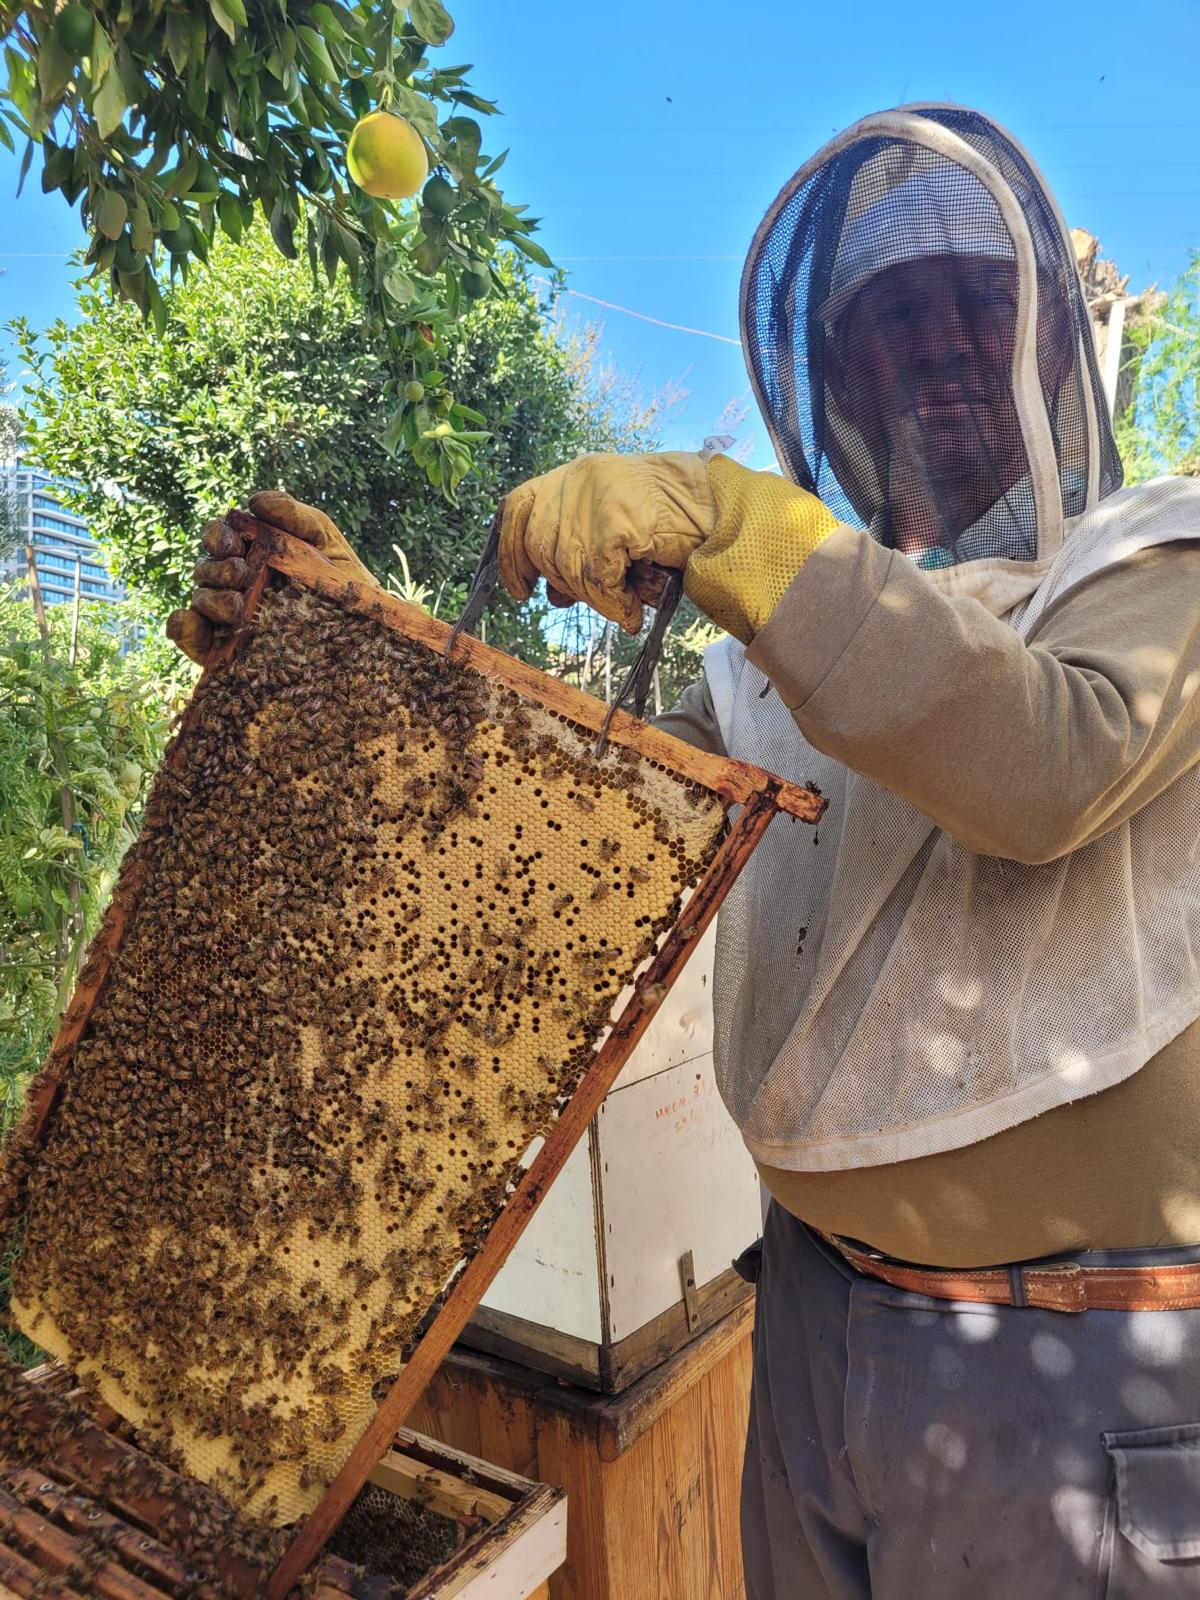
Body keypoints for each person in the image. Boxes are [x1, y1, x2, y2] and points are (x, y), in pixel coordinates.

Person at [171, 105, 1200, 1598]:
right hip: (811, 1320)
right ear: (833, 386)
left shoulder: (1161, 555)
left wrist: (738, 525)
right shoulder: (775, 668)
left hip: (1075, 1367)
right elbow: (552, 852)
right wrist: (333, 673)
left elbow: (1047, 760)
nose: (938, 348)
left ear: (1050, 333)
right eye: (889, 323)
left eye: (973, 300)